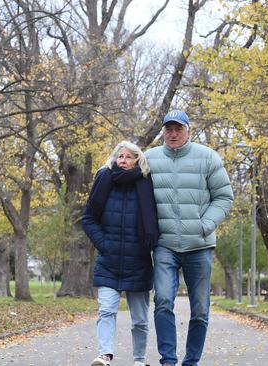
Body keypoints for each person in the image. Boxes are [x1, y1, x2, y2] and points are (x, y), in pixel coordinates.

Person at [145, 110, 234, 366]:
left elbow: (224, 197)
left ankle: (191, 361)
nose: (173, 134)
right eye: (168, 129)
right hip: (164, 245)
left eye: (178, 129)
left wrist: (204, 225)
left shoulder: (207, 157)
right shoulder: (149, 159)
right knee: (162, 300)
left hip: (200, 245)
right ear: (163, 131)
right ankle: (168, 361)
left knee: (200, 310)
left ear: (188, 130)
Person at [82, 140, 160, 366]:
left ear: (137, 160)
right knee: (106, 311)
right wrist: (104, 244)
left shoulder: (147, 184)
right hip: (109, 260)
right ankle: (104, 355)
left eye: (128, 157)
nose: (123, 160)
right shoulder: (104, 180)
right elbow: (88, 218)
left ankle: (139, 360)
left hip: (139, 261)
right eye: (120, 156)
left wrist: (146, 246)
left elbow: (155, 220)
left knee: (140, 320)